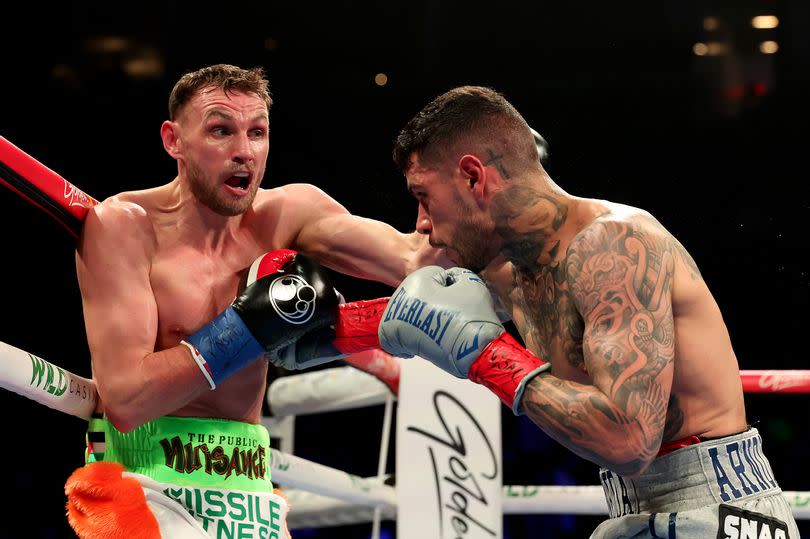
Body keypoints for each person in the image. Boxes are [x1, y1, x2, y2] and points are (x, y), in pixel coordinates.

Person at [377, 85, 800, 538]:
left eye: (424, 196)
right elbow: (400, 267)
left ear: (473, 177)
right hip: (629, 512)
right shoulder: (519, 277)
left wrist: (486, 356)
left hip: (716, 511)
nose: (421, 222)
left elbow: (630, 441)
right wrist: (327, 325)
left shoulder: (615, 245)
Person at [65, 63, 445, 539]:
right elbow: (124, 400)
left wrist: (459, 199)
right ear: (173, 141)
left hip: (247, 485)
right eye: (221, 130)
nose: (244, 151)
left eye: (257, 132)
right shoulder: (124, 226)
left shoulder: (289, 212)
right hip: (144, 480)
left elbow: (415, 261)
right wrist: (248, 327)